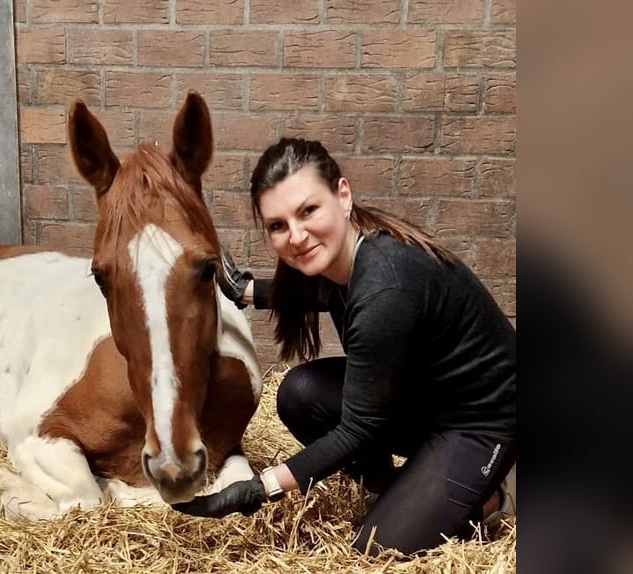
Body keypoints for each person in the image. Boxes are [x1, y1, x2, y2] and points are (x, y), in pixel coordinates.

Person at [172, 138, 516, 556]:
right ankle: (393, 492)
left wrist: (258, 489)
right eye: (278, 226)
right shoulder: (349, 256)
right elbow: (318, 292)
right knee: (300, 394)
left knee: (377, 547)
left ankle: (485, 499)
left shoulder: (385, 285)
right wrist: (249, 291)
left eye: (308, 211)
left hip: (481, 420)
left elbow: (358, 430)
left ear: (343, 195)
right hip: (423, 401)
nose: (296, 236)